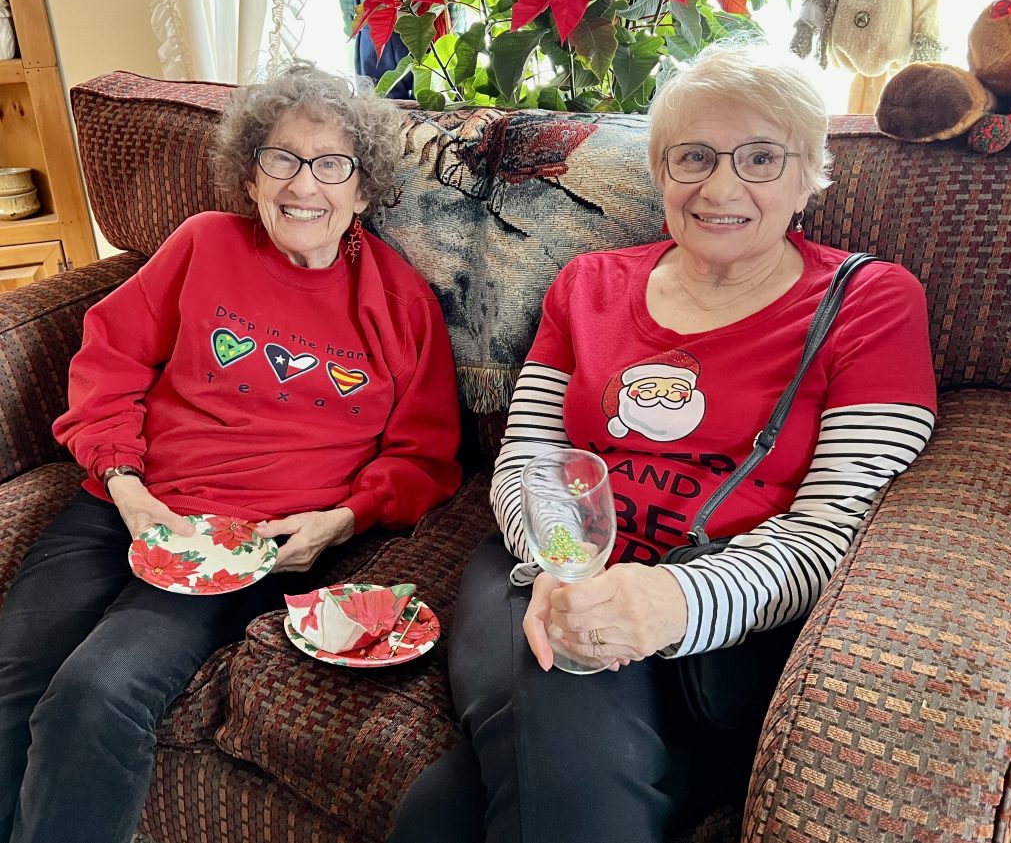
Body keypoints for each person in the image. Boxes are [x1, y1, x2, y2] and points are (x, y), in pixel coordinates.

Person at [388, 41, 937, 843]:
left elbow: (833, 531)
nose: (722, 186)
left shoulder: (872, 301)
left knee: (437, 817)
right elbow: (530, 457)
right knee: (565, 677)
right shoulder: (589, 283)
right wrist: (568, 568)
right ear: (660, 170)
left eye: (760, 158)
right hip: (539, 572)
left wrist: (671, 602)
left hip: (726, 617)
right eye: (694, 157)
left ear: (807, 175)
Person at [0, 62, 462, 843]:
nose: (302, 185)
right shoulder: (203, 244)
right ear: (251, 175)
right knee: (11, 673)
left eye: (330, 164)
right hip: (122, 506)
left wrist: (341, 522)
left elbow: (426, 458)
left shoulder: (399, 301)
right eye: (280, 158)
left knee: (96, 690)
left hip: (239, 545)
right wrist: (125, 482)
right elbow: (107, 362)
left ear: (364, 188)